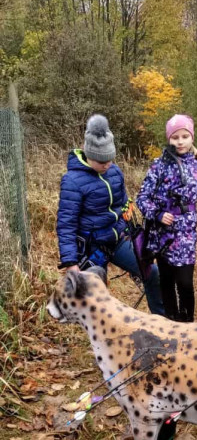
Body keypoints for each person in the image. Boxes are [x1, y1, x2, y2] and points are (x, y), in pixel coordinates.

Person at [56, 114, 164, 316]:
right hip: (92, 248)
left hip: (118, 240)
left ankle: (162, 321)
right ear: (89, 155)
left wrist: (129, 222)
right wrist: (71, 262)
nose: (106, 165)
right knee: (96, 300)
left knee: (152, 273)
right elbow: (66, 224)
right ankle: (101, 331)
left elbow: (122, 202)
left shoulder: (115, 171)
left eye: (109, 159)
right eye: (101, 161)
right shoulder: (72, 181)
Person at [136, 114, 197, 322]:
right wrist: (157, 214)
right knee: (167, 281)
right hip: (162, 235)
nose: (180, 141)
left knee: (185, 283)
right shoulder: (159, 165)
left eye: (184, 136)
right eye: (175, 137)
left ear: (192, 137)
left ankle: (187, 323)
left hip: (186, 233)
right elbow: (142, 197)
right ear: (169, 138)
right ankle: (170, 321)